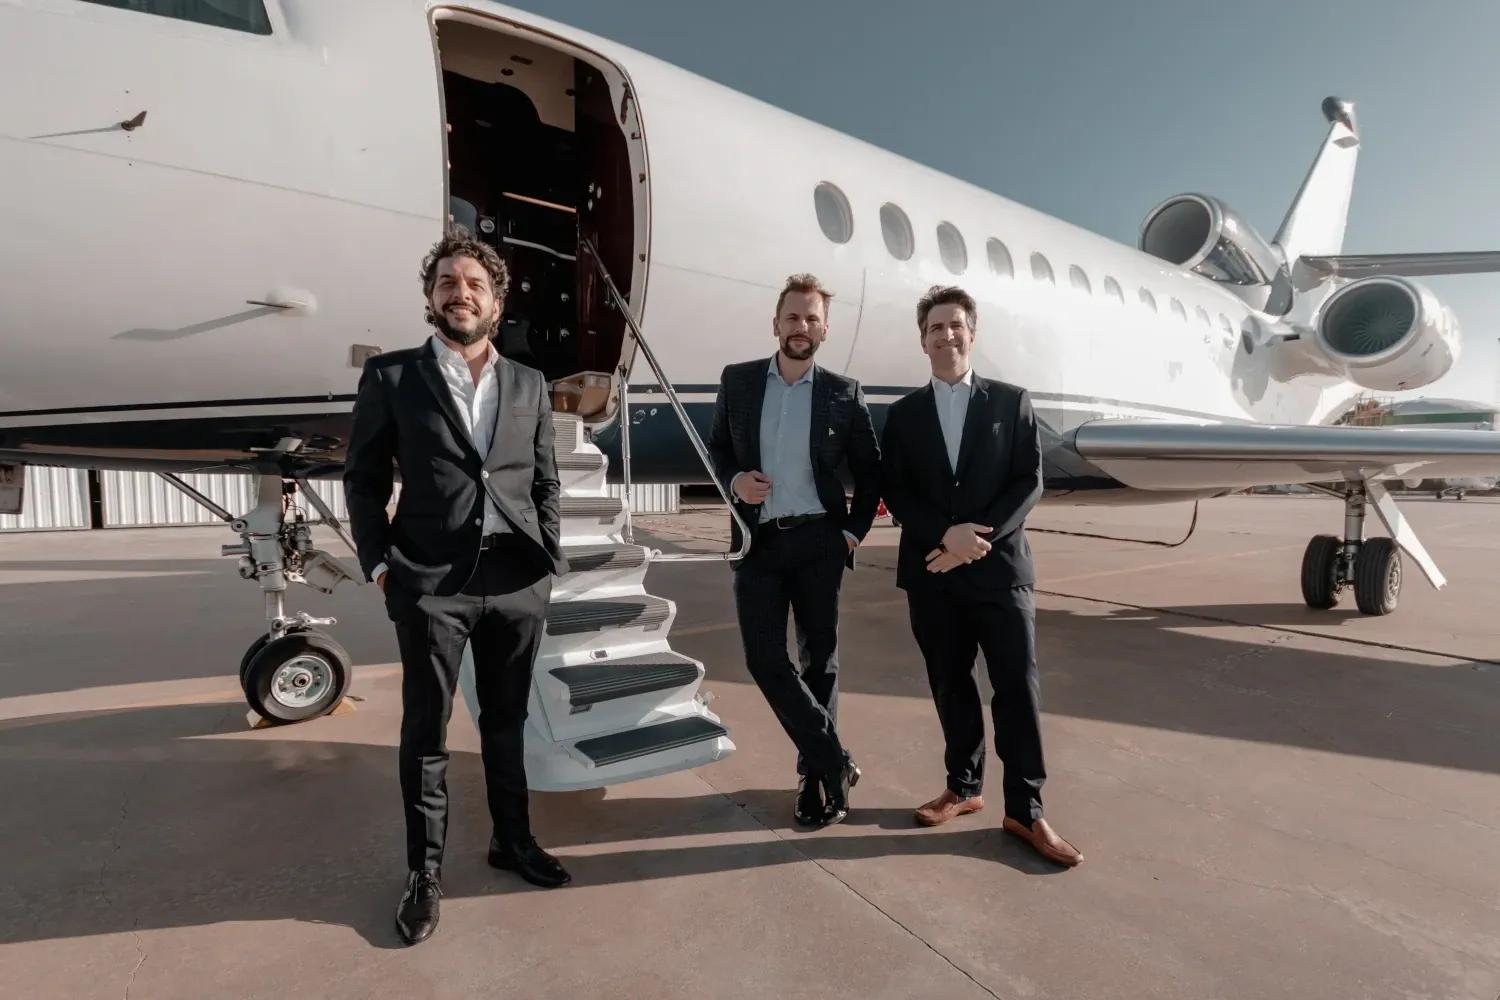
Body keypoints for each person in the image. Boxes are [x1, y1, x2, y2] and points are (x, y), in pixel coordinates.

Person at [344, 228, 572, 946]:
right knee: (426, 731)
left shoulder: (529, 382)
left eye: (474, 283)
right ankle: (425, 873)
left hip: (514, 580)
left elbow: (543, 479)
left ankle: (513, 841)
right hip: (430, 584)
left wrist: (549, 553)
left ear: (496, 303)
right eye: (447, 281)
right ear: (431, 298)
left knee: (507, 724)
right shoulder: (392, 377)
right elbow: (364, 479)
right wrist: (381, 566)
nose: (460, 291)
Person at [879, 285, 1083, 867]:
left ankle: (1027, 810)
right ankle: (963, 788)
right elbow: (898, 490)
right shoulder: (902, 416)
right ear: (922, 340)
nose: (947, 335)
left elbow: (1029, 480)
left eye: (956, 325)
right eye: (936, 327)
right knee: (950, 684)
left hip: (1000, 574)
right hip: (933, 573)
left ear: (973, 333)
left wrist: (976, 539)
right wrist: (947, 537)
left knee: (1016, 689)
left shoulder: (1010, 402)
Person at [708, 273, 880, 827]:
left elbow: (871, 473)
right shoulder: (737, 382)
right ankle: (835, 758)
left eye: (811, 318)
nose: (800, 326)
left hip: (817, 543)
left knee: (819, 662)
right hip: (757, 543)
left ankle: (816, 777)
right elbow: (715, 449)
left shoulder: (842, 392)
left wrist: (851, 533)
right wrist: (735, 480)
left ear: (824, 328)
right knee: (764, 660)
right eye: (792, 316)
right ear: (776, 323)